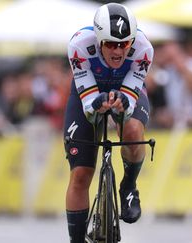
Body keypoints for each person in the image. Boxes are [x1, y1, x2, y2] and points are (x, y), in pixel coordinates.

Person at [63, 3, 154, 243]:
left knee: (133, 129)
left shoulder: (144, 49)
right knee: (81, 174)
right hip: (89, 92)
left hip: (126, 88)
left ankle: (129, 186)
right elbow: (89, 108)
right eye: (111, 44)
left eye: (124, 44)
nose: (118, 51)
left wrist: (123, 103)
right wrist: (97, 104)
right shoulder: (79, 45)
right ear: (99, 40)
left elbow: (130, 102)